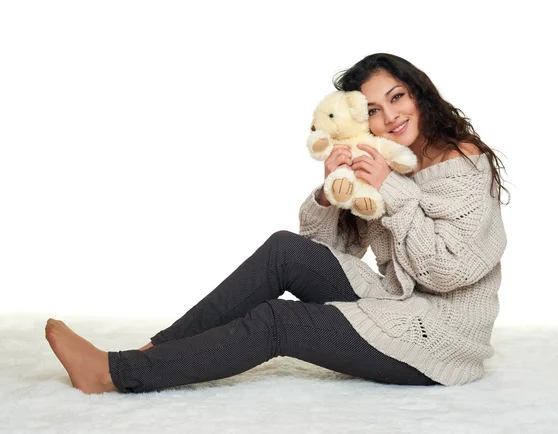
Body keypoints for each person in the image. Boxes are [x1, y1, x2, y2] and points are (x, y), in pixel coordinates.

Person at [45, 53, 508, 394]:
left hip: (443, 340)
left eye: (397, 97)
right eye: (371, 110)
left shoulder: (464, 162)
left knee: (277, 323)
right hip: (394, 302)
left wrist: (391, 189)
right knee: (284, 249)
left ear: (418, 93)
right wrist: (331, 193)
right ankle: (153, 353)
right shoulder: (386, 162)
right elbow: (328, 250)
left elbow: (447, 271)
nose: (390, 117)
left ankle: (112, 374)